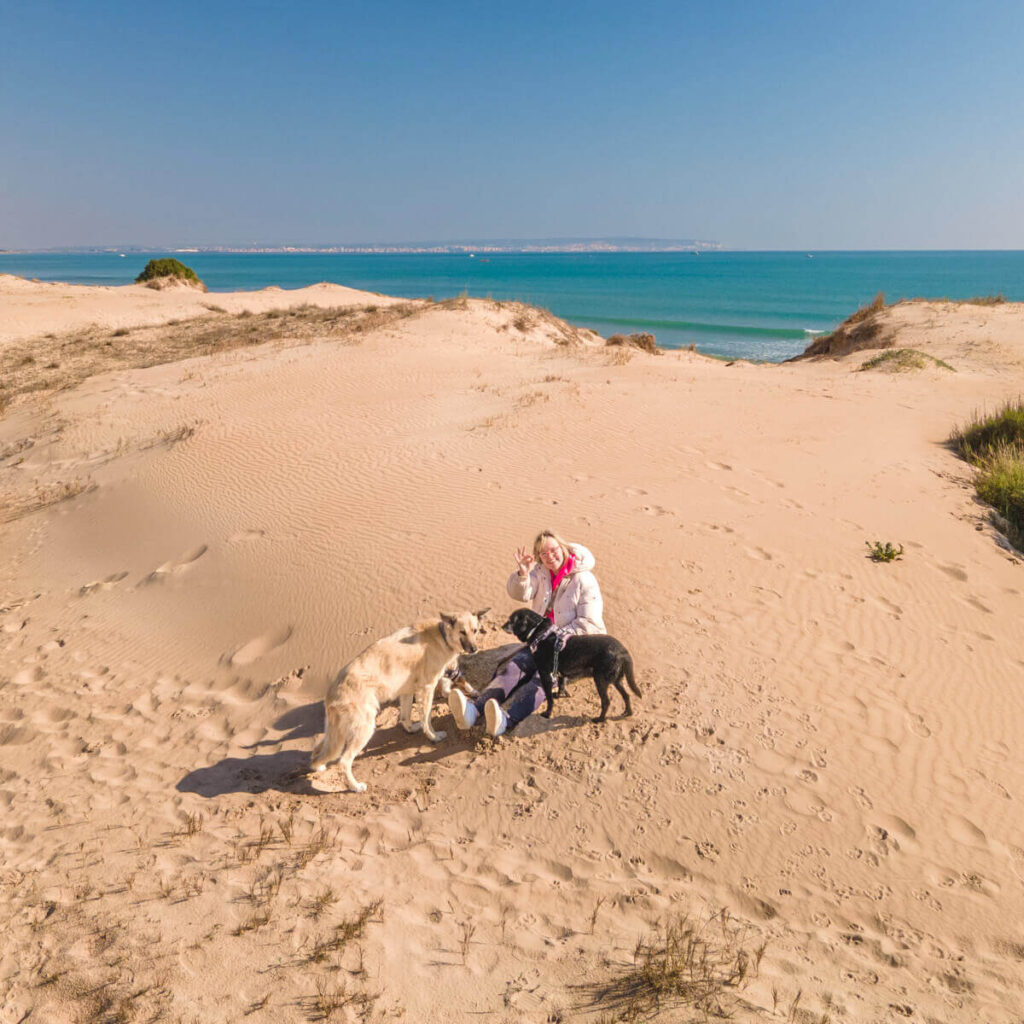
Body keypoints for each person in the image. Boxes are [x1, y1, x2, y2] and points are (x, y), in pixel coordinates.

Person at [448, 530, 605, 736]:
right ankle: (473, 711)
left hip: (571, 648)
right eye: (543, 554)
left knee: (541, 680)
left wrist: (553, 635)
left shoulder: (584, 580)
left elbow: (590, 625)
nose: (550, 557)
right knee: (513, 669)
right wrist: (522, 573)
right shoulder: (541, 572)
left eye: (553, 550)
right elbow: (521, 593)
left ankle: (506, 720)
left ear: (563, 548)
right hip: (540, 641)